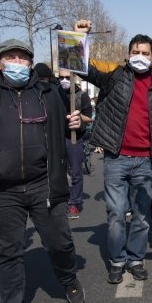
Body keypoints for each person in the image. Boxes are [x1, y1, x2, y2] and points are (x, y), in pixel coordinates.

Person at [0, 39, 86, 303]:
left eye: (22, 57)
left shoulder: (48, 92)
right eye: (10, 57)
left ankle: (68, 279)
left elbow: (67, 126)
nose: (17, 62)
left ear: (30, 63)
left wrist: (76, 122)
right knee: (8, 253)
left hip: (45, 185)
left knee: (60, 243)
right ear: (0, 63)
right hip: (2, 191)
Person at [72, 21, 152, 284]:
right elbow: (77, 65)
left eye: (145, 53)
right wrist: (78, 38)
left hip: (145, 161)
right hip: (116, 159)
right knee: (116, 213)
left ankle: (136, 259)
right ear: (128, 54)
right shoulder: (115, 73)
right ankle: (117, 260)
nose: (139, 57)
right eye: (135, 52)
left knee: (141, 217)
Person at [58, 69, 93, 219]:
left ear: (74, 78)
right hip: (57, 137)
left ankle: (74, 203)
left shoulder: (82, 96)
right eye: (61, 77)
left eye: (67, 77)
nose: (64, 80)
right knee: (58, 171)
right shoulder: (54, 92)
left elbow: (89, 118)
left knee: (76, 172)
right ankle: (61, 198)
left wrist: (77, 116)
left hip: (74, 138)